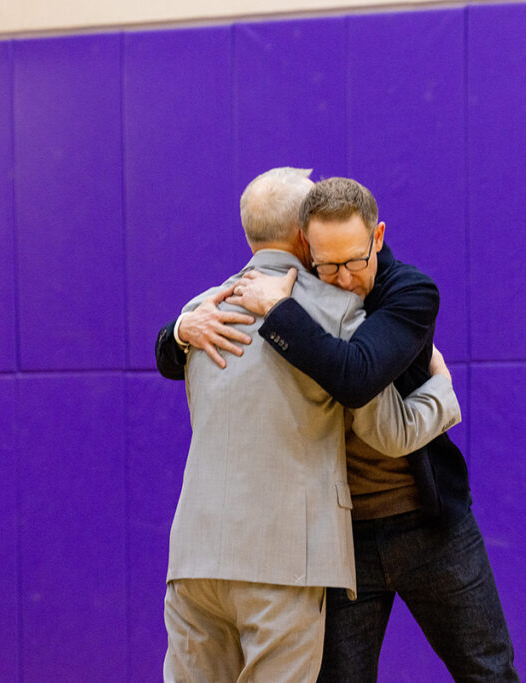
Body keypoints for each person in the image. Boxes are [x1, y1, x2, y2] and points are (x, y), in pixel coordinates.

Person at [155, 167, 463, 682]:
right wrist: (441, 392)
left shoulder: (200, 311)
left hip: (193, 558)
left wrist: (179, 329)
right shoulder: (340, 313)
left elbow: (169, 351)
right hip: (285, 560)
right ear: (306, 236)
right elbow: (387, 432)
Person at [223, 177, 519, 682]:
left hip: (433, 525)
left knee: (489, 672)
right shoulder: (297, 292)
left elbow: (356, 376)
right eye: (327, 264)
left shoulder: (410, 291)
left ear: (377, 237)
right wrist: (177, 335)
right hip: (341, 543)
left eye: (355, 261)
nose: (341, 280)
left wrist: (277, 312)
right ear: (304, 247)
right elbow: (191, 326)